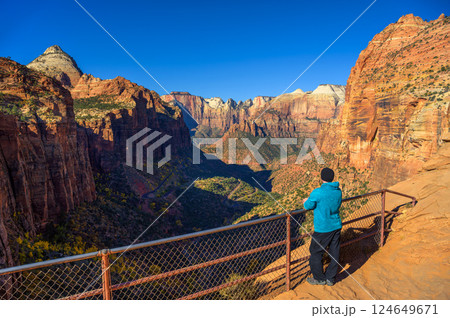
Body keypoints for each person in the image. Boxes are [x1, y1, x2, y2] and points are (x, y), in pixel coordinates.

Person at [302, 167, 342, 286]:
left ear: (321, 177)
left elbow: (307, 206)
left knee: (315, 252)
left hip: (323, 228)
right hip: (336, 225)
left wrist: (305, 201)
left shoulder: (317, 192)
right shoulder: (338, 191)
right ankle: (330, 278)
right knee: (335, 252)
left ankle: (319, 278)